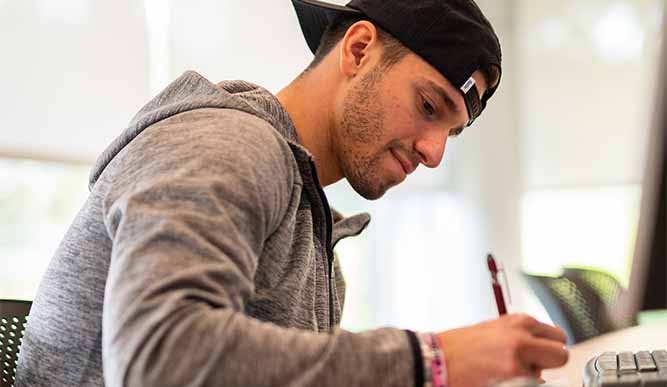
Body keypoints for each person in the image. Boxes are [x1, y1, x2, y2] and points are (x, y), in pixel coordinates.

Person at [16, 0, 569, 386]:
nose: (434, 153)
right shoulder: (227, 145)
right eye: (429, 107)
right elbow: (159, 361)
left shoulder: (319, 245)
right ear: (358, 50)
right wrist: (434, 362)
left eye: (451, 132)